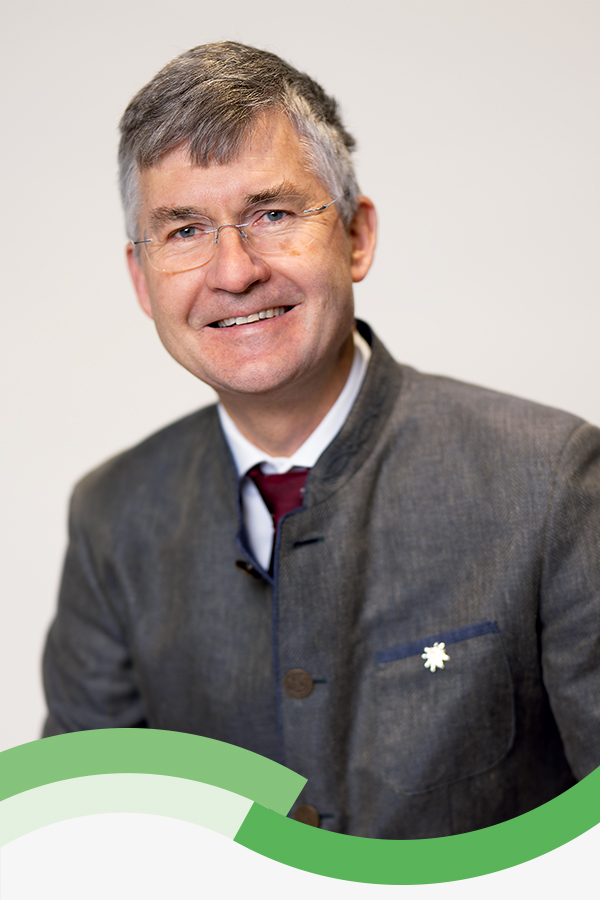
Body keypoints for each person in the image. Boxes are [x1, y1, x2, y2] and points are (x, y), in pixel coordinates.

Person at [42, 40, 600, 839]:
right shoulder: (114, 517)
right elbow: (86, 840)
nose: (234, 272)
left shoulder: (550, 485)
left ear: (356, 236)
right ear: (141, 279)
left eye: (271, 214)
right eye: (185, 230)